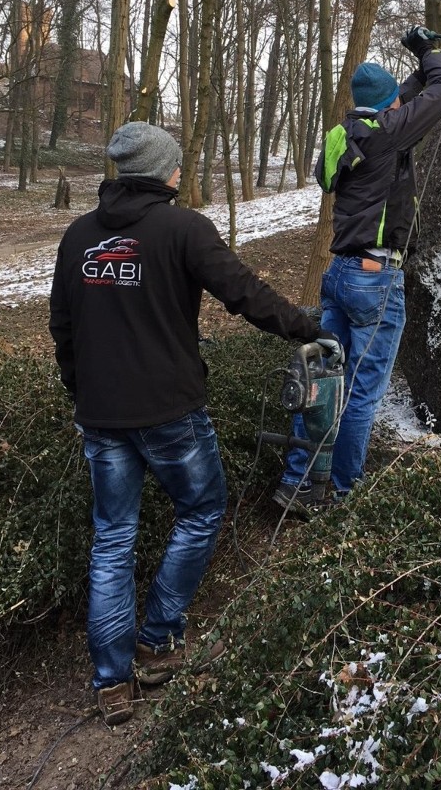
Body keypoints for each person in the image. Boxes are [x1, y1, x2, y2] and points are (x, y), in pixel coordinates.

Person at [49, 121, 339, 727]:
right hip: (171, 411)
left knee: (112, 539)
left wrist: (84, 393)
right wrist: (308, 327)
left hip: (102, 416)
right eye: (177, 165)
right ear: (164, 172)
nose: (182, 172)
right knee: (203, 509)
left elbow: (62, 327)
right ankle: (158, 639)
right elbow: (243, 292)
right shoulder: (183, 228)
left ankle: (112, 681)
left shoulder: (78, 236)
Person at [274, 26, 441, 517]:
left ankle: (298, 482)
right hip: (374, 280)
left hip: (338, 275)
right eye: (394, 105)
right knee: (360, 395)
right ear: (384, 110)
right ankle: (341, 492)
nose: (400, 109)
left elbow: (398, 99)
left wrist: (411, 80)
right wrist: (429, 51)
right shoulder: (386, 134)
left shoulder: (343, 136)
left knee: (323, 381)